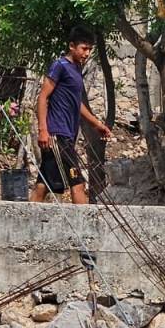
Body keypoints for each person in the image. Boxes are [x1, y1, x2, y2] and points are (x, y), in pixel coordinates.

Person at [30, 26, 113, 204]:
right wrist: (43, 130)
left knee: (43, 183)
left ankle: (23, 219)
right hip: (56, 134)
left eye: (90, 49)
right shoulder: (59, 66)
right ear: (72, 46)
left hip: (67, 135)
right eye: (84, 48)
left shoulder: (76, 70)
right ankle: (85, 227)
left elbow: (78, 104)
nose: (87, 53)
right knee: (77, 182)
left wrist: (97, 125)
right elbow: (43, 97)